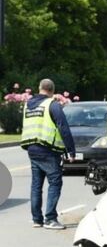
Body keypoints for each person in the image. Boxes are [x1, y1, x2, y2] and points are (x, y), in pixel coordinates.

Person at [20, 78, 75, 230]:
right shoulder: (52, 105)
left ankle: (37, 219)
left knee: (36, 185)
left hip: (32, 149)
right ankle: (50, 218)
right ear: (52, 90)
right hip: (48, 150)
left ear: (39, 88)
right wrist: (71, 150)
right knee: (55, 182)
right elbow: (63, 128)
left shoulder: (28, 105)